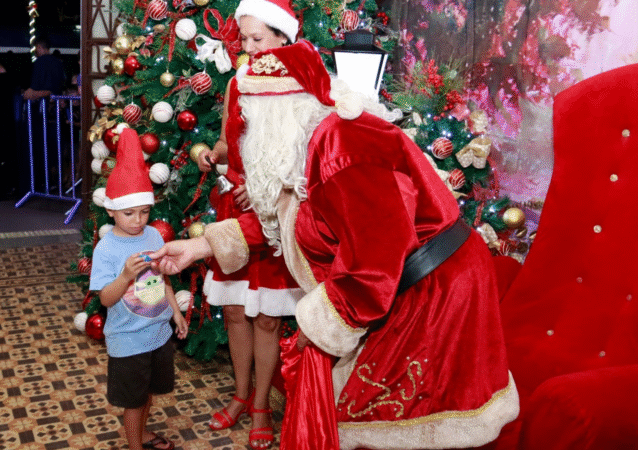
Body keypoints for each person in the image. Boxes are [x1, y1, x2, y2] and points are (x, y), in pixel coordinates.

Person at [151, 40, 519, 449]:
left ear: (281, 111)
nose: (244, 128)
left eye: (251, 115)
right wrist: (200, 248)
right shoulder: (305, 143)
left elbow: (378, 252)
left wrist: (323, 324)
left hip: (432, 288)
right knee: (359, 411)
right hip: (393, 287)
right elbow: (286, 221)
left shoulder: (345, 147)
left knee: (394, 417)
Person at [192, 1, 302, 448]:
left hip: (272, 214)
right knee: (235, 309)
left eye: (259, 39)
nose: (250, 49)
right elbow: (225, 138)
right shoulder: (238, 82)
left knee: (268, 320)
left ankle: (260, 404)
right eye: (246, 40)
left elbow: (301, 159)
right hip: (233, 209)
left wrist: (264, 192)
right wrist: (212, 153)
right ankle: (239, 396)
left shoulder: (300, 87)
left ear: (283, 38)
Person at [89, 127, 188, 450]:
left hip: (157, 333)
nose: (138, 220)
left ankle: (143, 433)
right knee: (133, 402)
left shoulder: (154, 237)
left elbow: (164, 281)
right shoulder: (106, 249)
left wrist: (176, 314)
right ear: (111, 209)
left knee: (147, 394)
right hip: (127, 340)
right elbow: (104, 298)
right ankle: (135, 444)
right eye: (129, 213)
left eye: (144, 211)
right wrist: (124, 277)